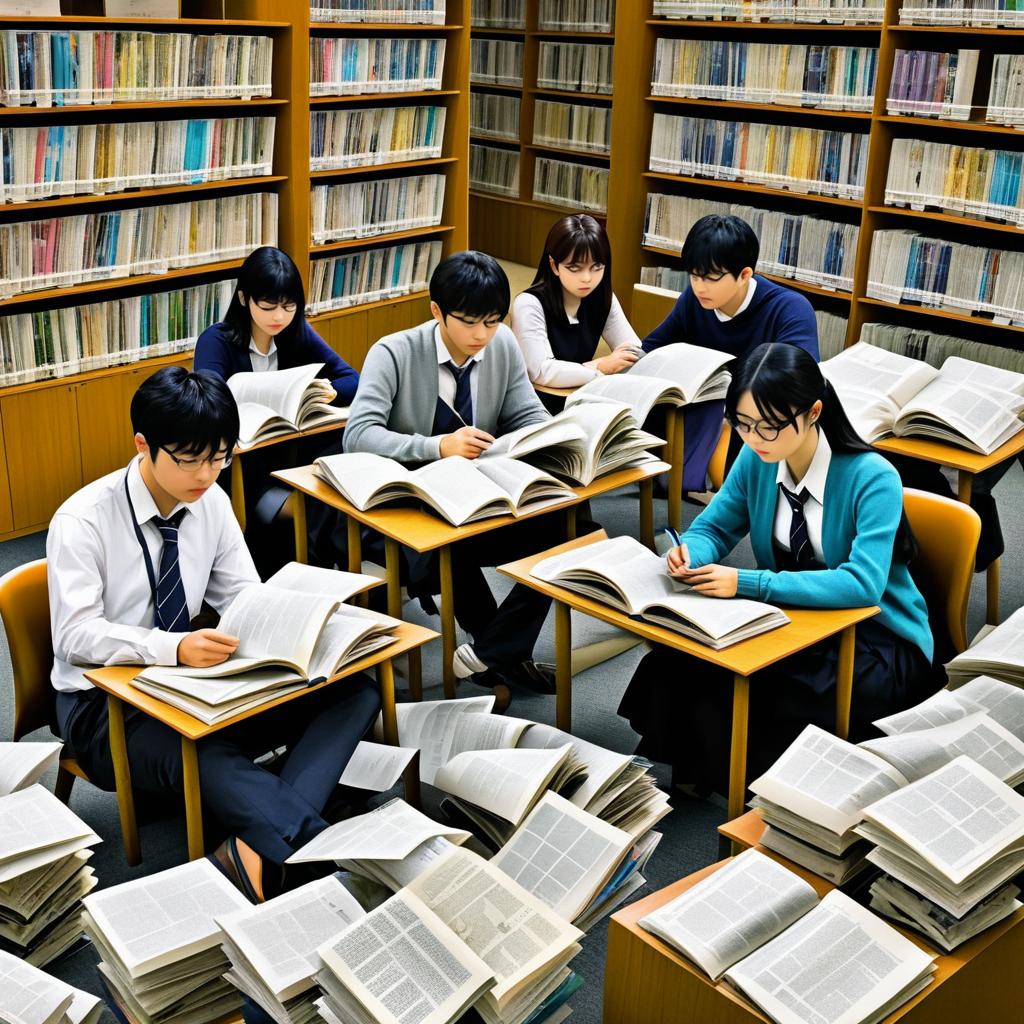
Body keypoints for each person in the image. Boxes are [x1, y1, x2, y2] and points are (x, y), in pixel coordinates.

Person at [47, 367, 380, 900]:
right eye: (191, 459)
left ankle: (252, 850)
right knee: (199, 752)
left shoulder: (211, 501)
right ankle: (313, 851)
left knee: (354, 689)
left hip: (196, 683)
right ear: (143, 445)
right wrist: (171, 647)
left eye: (220, 457)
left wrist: (303, 625)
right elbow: (74, 637)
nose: (207, 474)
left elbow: (241, 596)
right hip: (101, 704)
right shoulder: (84, 519)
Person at [619, 343, 935, 797]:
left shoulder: (873, 477)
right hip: (798, 617)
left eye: (769, 427)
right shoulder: (756, 458)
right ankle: (701, 770)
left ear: (813, 412)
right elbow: (714, 526)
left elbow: (863, 586)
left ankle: (756, 792)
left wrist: (749, 583)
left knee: (772, 684)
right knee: (682, 659)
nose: (755, 439)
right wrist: (691, 551)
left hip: (879, 639)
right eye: (743, 425)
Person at [344, 251, 562, 707]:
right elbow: (358, 435)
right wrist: (435, 447)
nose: (481, 334)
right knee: (451, 545)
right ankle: (502, 654)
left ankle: (490, 651)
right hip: (413, 511)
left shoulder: (500, 344)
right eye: (468, 322)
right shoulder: (393, 352)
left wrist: (563, 438)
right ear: (436, 311)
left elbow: (527, 413)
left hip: (480, 494)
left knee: (566, 526)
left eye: (492, 321)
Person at [194, 246, 359, 571]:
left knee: (351, 461)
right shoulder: (217, 340)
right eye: (268, 306)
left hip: (298, 462)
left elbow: (352, 379)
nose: (279, 317)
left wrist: (324, 391)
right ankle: (342, 578)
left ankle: (336, 577)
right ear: (244, 299)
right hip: (249, 475)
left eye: (289, 306)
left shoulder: (296, 334)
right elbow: (207, 399)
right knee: (332, 508)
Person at [642, 215, 820, 493]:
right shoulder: (694, 300)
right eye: (694, 275)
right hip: (705, 418)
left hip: (761, 427)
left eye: (712, 277)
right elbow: (653, 348)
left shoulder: (789, 309)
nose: (700, 286)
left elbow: (800, 381)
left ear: (745, 275)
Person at [511, 214, 642, 405]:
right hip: (539, 405)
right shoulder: (529, 304)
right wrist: (600, 366)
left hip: (584, 395)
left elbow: (632, 349)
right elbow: (542, 371)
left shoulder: (603, 298)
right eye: (575, 268)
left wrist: (588, 369)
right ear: (554, 265)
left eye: (596, 266)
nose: (587, 278)